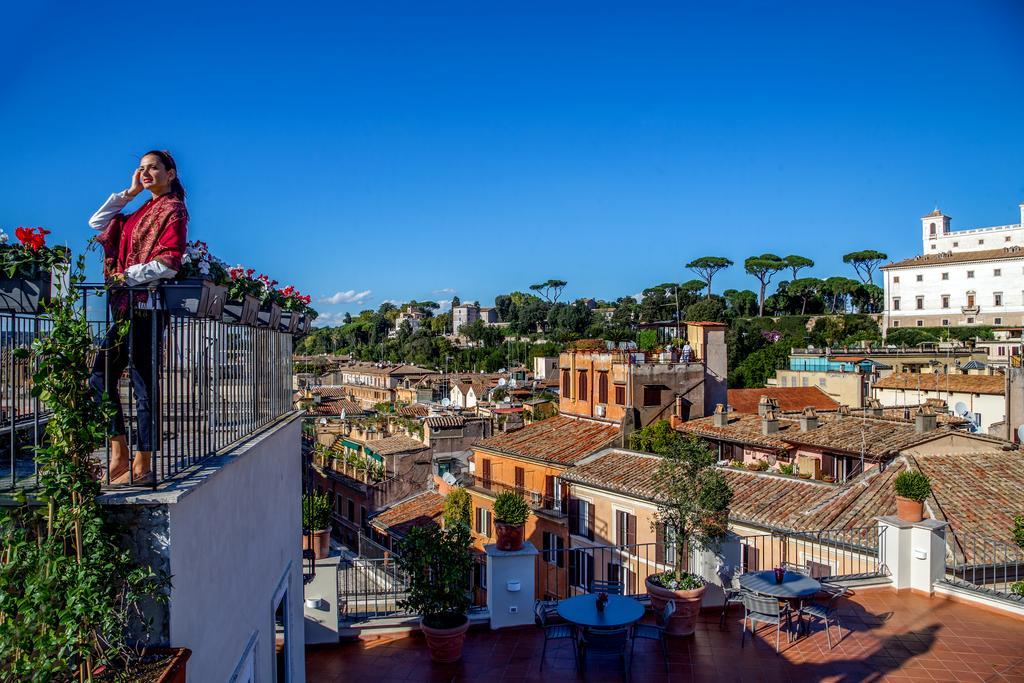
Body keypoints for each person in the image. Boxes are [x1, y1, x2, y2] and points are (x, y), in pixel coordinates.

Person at [88, 151, 188, 484]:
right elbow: (97, 223)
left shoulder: (173, 209)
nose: (146, 173)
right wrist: (128, 193)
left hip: (148, 308)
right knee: (99, 378)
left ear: (170, 174)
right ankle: (119, 454)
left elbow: (169, 261)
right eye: (142, 169)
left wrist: (125, 276)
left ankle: (143, 463)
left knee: (144, 386)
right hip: (127, 307)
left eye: (153, 168)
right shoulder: (139, 210)